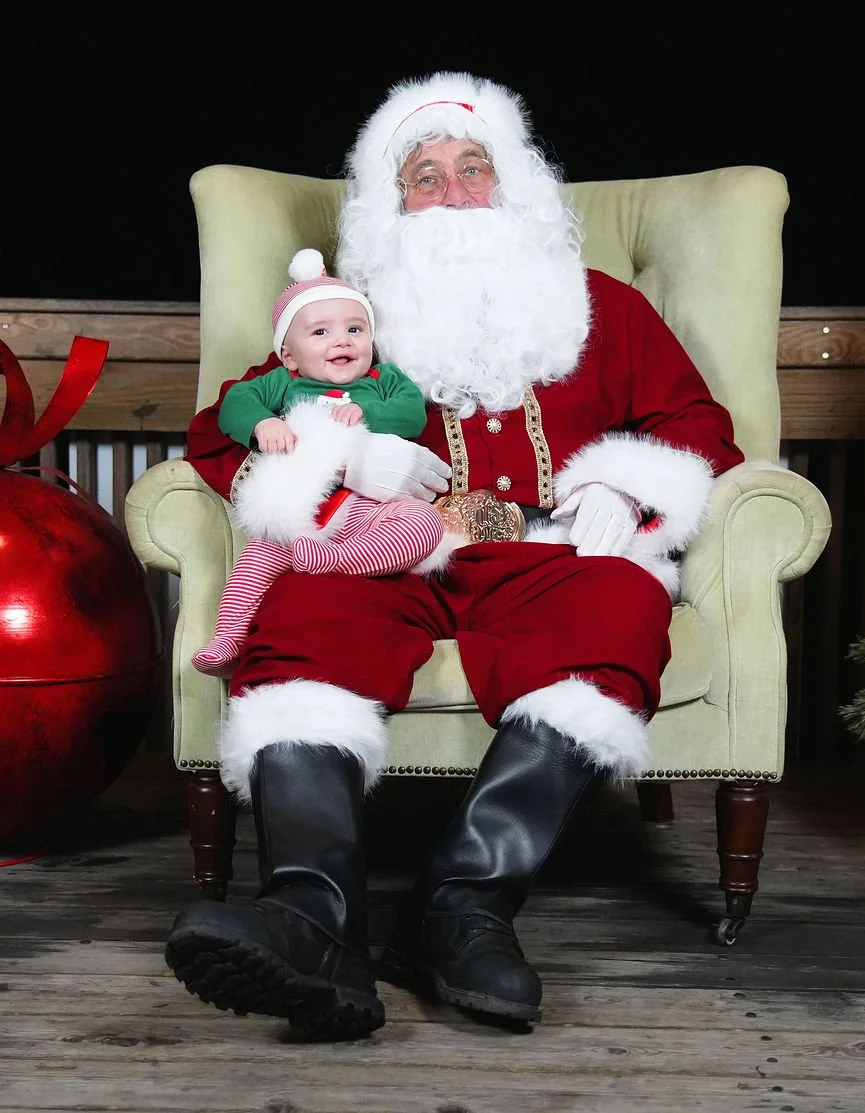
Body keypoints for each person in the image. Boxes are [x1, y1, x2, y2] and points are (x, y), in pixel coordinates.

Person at [167, 70, 746, 1042]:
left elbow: (696, 421)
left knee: (620, 611)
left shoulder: (602, 306)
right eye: (424, 176)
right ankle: (315, 925)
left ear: (510, 185)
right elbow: (228, 426)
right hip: (383, 548)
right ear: (392, 209)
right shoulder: (347, 319)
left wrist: (620, 482)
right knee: (298, 618)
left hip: (550, 550)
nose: (452, 190)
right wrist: (315, 452)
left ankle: (462, 905)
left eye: (472, 168)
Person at [191, 249, 448, 677]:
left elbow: (412, 413)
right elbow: (236, 402)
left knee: (423, 524)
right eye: (321, 332)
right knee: (257, 556)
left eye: (355, 328)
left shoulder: (385, 381)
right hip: (304, 508)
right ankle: (229, 637)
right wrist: (262, 424)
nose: (342, 340)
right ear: (289, 356)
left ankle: (338, 560)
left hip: (373, 510)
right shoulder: (283, 382)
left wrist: (371, 416)